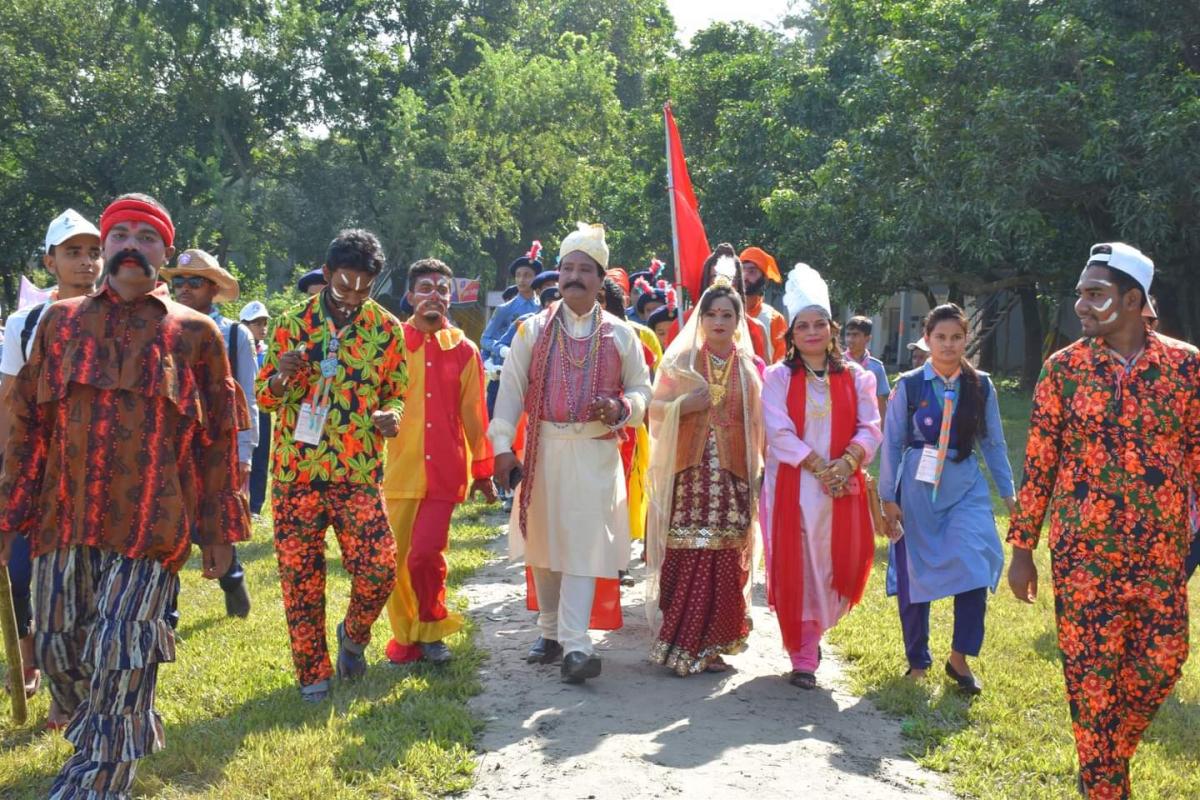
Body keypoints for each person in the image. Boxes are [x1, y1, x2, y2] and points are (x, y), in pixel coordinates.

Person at [0, 193, 250, 797]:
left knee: (124, 649)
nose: (131, 246)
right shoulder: (57, 325)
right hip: (64, 523)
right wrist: (10, 513)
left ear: (165, 253)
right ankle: (100, 736)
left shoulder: (196, 335)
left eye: (147, 236)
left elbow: (217, 442)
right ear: (107, 248)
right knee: (60, 650)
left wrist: (217, 533)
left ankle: (97, 781)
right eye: (120, 236)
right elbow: (27, 425)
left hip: (151, 528)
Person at [1006, 242, 1199, 799]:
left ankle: (1102, 758)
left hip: (1162, 553)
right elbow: (1039, 464)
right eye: (1080, 295)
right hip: (1083, 556)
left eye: (1096, 295)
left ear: (1134, 300)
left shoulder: (1185, 367)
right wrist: (1022, 551)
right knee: (1092, 686)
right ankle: (1106, 785)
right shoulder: (1063, 370)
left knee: (1164, 661)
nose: (1082, 306)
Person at [489, 222, 652, 684]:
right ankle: (550, 629)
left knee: (583, 546)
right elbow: (511, 392)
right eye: (567, 269)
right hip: (543, 447)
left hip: (595, 453)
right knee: (543, 544)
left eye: (585, 270)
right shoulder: (531, 330)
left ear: (601, 281)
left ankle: (577, 646)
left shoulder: (622, 335)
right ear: (558, 276)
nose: (574, 277)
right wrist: (502, 449)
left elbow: (643, 391)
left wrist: (622, 407)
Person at [256, 228, 406, 702]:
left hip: (357, 471)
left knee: (380, 566)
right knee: (301, 580)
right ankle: (312, 676)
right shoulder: (290, 323)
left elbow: (395, 390)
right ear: (326, 274)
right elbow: (263, 398)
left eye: (365, 287)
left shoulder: (386, 329)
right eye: (345, 285)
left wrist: (392, 416)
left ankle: (354, 636)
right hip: (296, 474)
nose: (354, 296)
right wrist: (282, 376)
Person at [878, 304, 1014, 695]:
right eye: (941, 337)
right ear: (928, 339)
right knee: (914, 574)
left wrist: (1009, 493)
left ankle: (960, 657)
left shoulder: (981, 385)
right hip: (918, 489)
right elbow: (892, 445)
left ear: (966, 338)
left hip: (964, 486)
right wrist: (888, 497)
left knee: (975, 562)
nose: (949, 345)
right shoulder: (909, 385)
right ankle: (917, 661)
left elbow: (993, 442)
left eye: (957, 337)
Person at [0, 208, 101, 722]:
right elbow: (10, 405)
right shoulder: (26, 322)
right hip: (42, 480)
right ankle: (34, 663)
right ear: (50, 261)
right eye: (72, 252)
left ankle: (83, 695)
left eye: (92, 252)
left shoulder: (125, 316)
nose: (85, 263)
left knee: (89, 594)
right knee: (27, 579)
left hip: (106, 484)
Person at [761, 263, 882, 689]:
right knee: (799, 564)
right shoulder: (776, 377)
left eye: (819, 324)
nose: (812, 332)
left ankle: (815, 632)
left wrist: (846, 464)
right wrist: (818, 467)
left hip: (839, 488)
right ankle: (803, 653)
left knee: (833, 562)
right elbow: (777, 431)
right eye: (802, 326)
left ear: (832, 330)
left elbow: (870, 426)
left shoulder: (857, 378)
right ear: (791, 335)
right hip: (792, 486)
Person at [645, 280, 764, 675]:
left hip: (732, 478)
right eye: (711, 313)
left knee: (726, 556)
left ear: (738, 320)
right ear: (700, 318)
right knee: (689, 552)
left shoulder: (748, 368)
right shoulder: (682, 364)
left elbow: (757, 427)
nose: (718, 320)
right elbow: (654, 410)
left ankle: (711, 646)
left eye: (726, 314)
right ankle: (680, 640)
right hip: (690, 478)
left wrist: (755, 475)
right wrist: (685, 404)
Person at [382, 258, 495, 665]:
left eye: (443, 290)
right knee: (394, 561)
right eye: (426, 288)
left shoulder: (465, 350)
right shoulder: (391, 343)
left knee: (425, 554)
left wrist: (483, 470)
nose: (435, 296)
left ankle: (432, 629)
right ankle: (406, 635)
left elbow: (474, 415)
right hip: (398, 470)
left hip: (444, 471)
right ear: (410, 296)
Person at [163, 249, 258, 618]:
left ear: (214, 288)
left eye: (195, 282)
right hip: (174, 446)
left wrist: (245, 454)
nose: (185, 289)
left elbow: (247, 398)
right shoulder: (161, 327)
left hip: (218, 447)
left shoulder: (235, 335)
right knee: (168, 526)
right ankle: (166, 612)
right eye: (179, 281)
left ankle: (232, 580)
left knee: (215, 522)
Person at [481, 241, 543, 414]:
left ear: (536, 278)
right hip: (505, 372)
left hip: (533, 375)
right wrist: (501, 350)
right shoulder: (505, 308)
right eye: (518, 275)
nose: (522, 280)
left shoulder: (543, 308)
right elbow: (485, 339)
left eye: (527, 275)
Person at [240, 300, 273, 517]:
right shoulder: (237, 345)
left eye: (264, 323)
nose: (261, 328)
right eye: (255, 323)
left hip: (262, 409)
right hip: (241, 408)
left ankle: (255, 507)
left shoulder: (269, 351)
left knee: (261, 457)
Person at [740, 246, 788, 363]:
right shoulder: (721, 313)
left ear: (764, 280)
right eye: (741, 270)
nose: (745, 277)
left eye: (752, 271)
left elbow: (782, 365)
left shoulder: (774, 319)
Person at [844, 316, 892, 422]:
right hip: (841, 422)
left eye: (855, 335)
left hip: (867, 425)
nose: (850, 339)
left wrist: (882, 433)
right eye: (848, 335)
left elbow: (881, 403)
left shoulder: (876, 367)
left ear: (868, 338)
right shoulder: (837, 363)